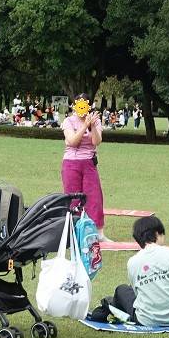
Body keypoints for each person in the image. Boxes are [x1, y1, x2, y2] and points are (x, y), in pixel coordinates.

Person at [97, 216, 169, 327]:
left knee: (122, 290)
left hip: (147, 320)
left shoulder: (133, 262)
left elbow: (137, 294)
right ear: (157, 234)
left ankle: (109, 306)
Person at [61, 94, 107, 239]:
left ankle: (99, 233)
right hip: (71, 163)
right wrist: (84, 126)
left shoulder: (96, 121)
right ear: (74, 106)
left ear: (89, 105)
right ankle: (74, 232)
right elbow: (72, 141)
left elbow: (96, 141)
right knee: (73, 198)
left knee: (95, 197)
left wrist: (92, 125)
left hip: (89, 163)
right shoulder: (68, 121)